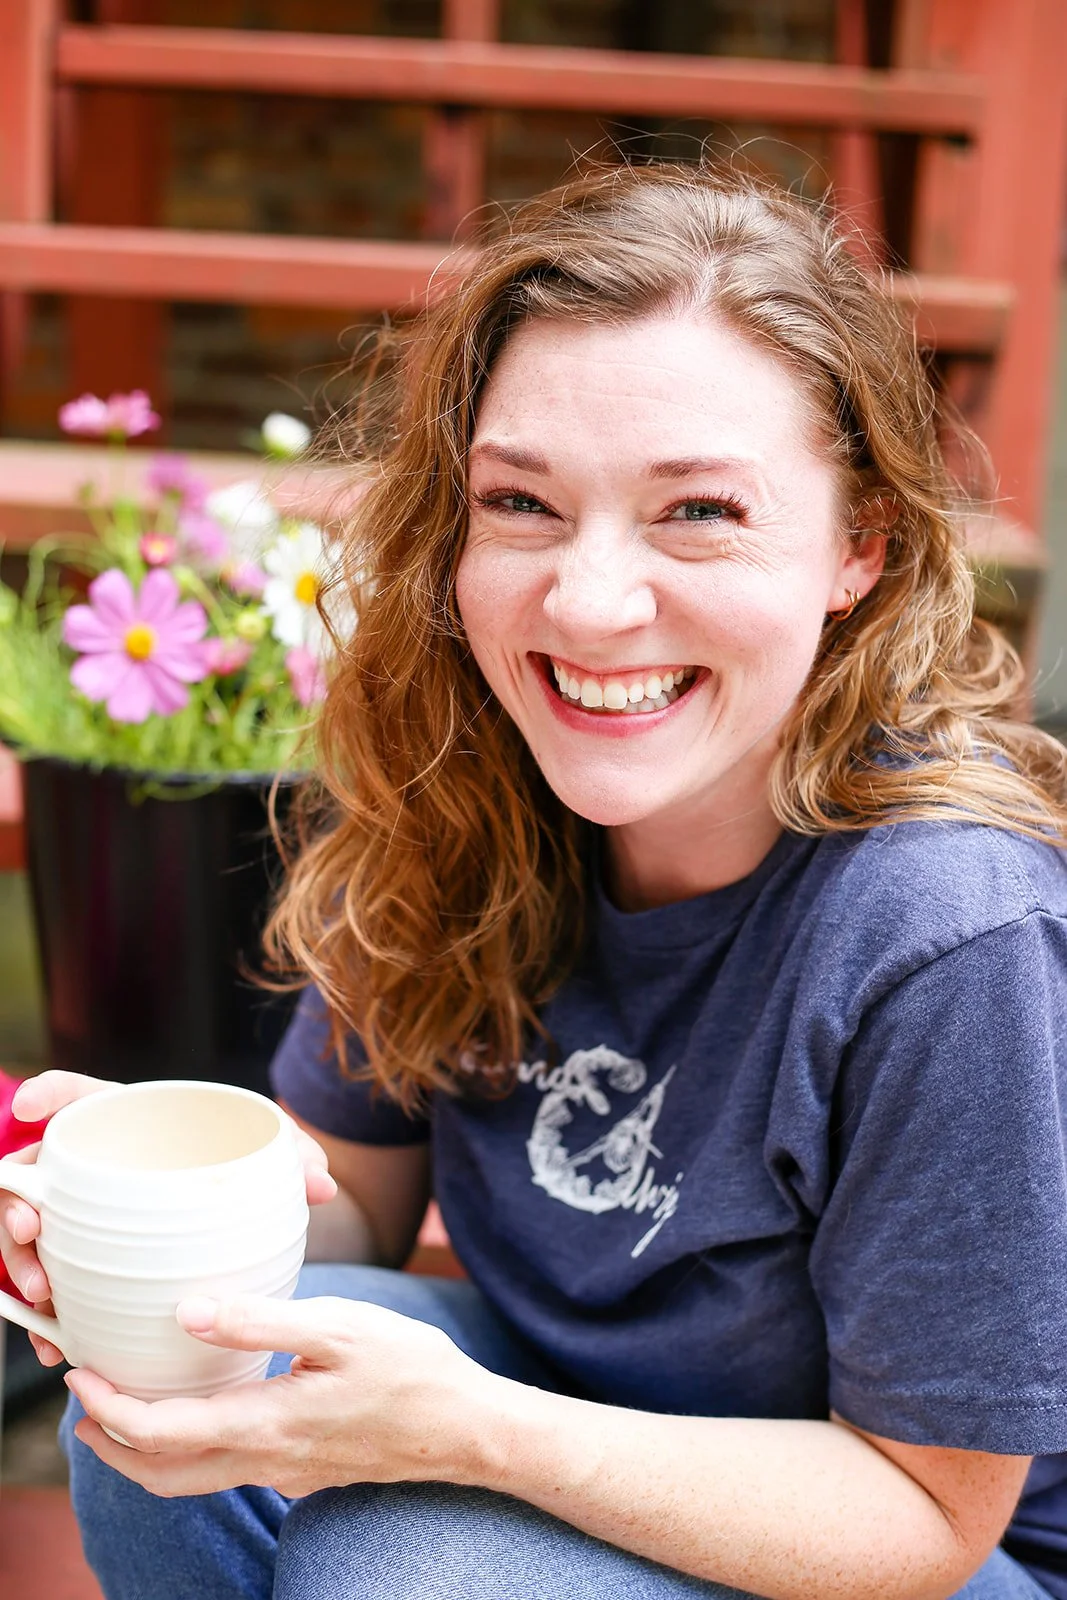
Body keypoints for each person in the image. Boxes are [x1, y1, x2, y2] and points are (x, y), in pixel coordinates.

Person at [4, 160, 1067, 1600]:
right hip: (578, 1429)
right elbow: (355, 1217)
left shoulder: (947, 933)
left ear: (858, 546)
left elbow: (926, 1519)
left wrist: (482, 1440)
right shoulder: (471, 792)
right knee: (179, 1367)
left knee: (407, 1556)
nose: (587, 601)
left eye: (697, 510)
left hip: (916, 1547)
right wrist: (132, 1216)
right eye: (521, 503)